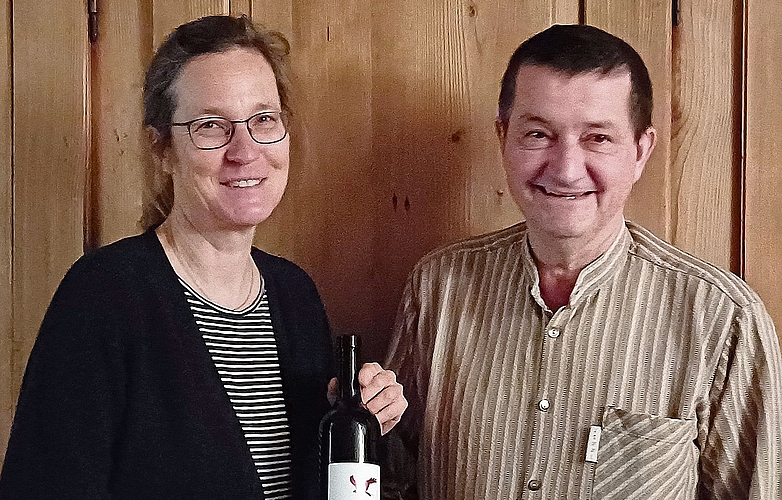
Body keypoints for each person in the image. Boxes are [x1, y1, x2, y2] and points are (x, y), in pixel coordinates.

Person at [0, 15, 406, 500]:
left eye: (264, 120)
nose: (245, 150)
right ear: (162, 148)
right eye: (211, 126)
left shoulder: (295, 296)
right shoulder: (104, 296)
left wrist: (365, 420)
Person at [385, 24, 782, 499]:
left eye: (597, 138)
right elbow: (388, 477)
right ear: (503, 138)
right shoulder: (437, 287)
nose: (567, 169)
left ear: (640, 151)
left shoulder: (723, 319)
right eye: (538, 134)